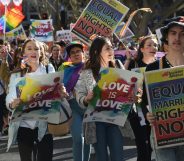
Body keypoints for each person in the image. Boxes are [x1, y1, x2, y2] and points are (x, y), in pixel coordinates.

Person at [6, 38, 67, 161]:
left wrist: (62, 92)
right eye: (29, 48)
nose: (33, 51)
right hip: (23, 125)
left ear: (41, 53)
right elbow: (10, 98)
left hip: (44, 125)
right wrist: (12, 104)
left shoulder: (48, 69)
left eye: (36, 49)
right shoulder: (16, 75)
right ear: (24, 54)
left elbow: (56, 92)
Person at [75, 36, 134, 161]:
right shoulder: (86, 72)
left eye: (111, 48)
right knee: (102, 157)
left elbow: (127, 90)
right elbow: (79, 96)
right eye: (107, 48)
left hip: (115, 121)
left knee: (118, 156)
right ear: (97, 52)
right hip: (96, 123)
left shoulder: (117, 66)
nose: (111, 51)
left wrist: (134, 93)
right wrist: (86, 98)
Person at [142, 16, 184, 161]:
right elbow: (144, 101)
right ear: (166, 37)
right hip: (163, 134)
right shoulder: (153, 68)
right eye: (173, 33)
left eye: (182, 34)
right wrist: (147, 114)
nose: (177, 37)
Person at [125, 35, 158, 161]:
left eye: (155, 45)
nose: (153, 47)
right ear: (142, 49)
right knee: (143, 147)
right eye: (149, 45)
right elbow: (122, 82)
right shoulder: (134, 64)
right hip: (137, 110)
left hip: (156, 111)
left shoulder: (160, 64)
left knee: (155, 147)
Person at [59, 41, 91, 161]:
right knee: (78, 138)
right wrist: (63, 93)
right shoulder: (66, 70)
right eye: (72, 52)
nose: (76, 54)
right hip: (73, 107)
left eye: (78, 51)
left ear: (83, 53)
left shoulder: (91, 67)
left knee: (88, 139)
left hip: (89, 107)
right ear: (70, 57)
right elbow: (63, 90)